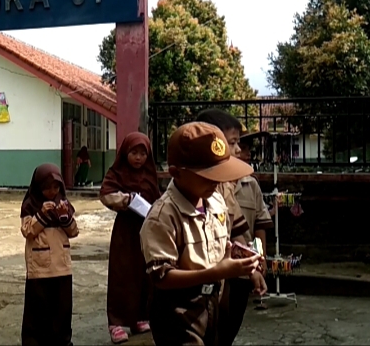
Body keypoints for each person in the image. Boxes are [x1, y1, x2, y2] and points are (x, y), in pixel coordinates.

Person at [140, 121, 265, 346]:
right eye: (207, 176)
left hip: (213, 303)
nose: (216, 182)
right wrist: (215, 272)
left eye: (220, 174)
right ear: (176, 173)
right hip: (178, 312)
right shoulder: (163, 216)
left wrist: (246, 264)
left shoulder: (215, 201)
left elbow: (225, 243)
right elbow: (162, 277)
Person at [196, 110, 271, 346]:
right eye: (233, 143)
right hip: (202, 279)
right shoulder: (190, 192)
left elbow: (249, 229)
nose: (239, 151)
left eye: (241, 145)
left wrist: (256, 262)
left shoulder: (243, 186)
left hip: (236, 271)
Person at [99, 132, 161, 344]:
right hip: (125, 231)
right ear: (125, 153)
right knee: (122, 274)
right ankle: (116, 322)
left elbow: (157, 199)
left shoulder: (149, 173)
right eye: (134, 153)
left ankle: (140, 317)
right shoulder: (117, 172)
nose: (138, 158)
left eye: (143, 153)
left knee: (144, 273)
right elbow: (106, 194)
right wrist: (127, 200)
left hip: (146, 230)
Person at [20, 163, 78, 346]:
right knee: (38, 308)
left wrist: (64, 216)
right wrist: (42, 214)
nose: (52, 192)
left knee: (62, 308)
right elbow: (27, 231)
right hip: (39, 267)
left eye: (56, 187)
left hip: (62, 266)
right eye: (47, 187)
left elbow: (74, 231)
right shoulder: (30, 205)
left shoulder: (63, 204)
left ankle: (62, 341)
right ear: (38, 187)